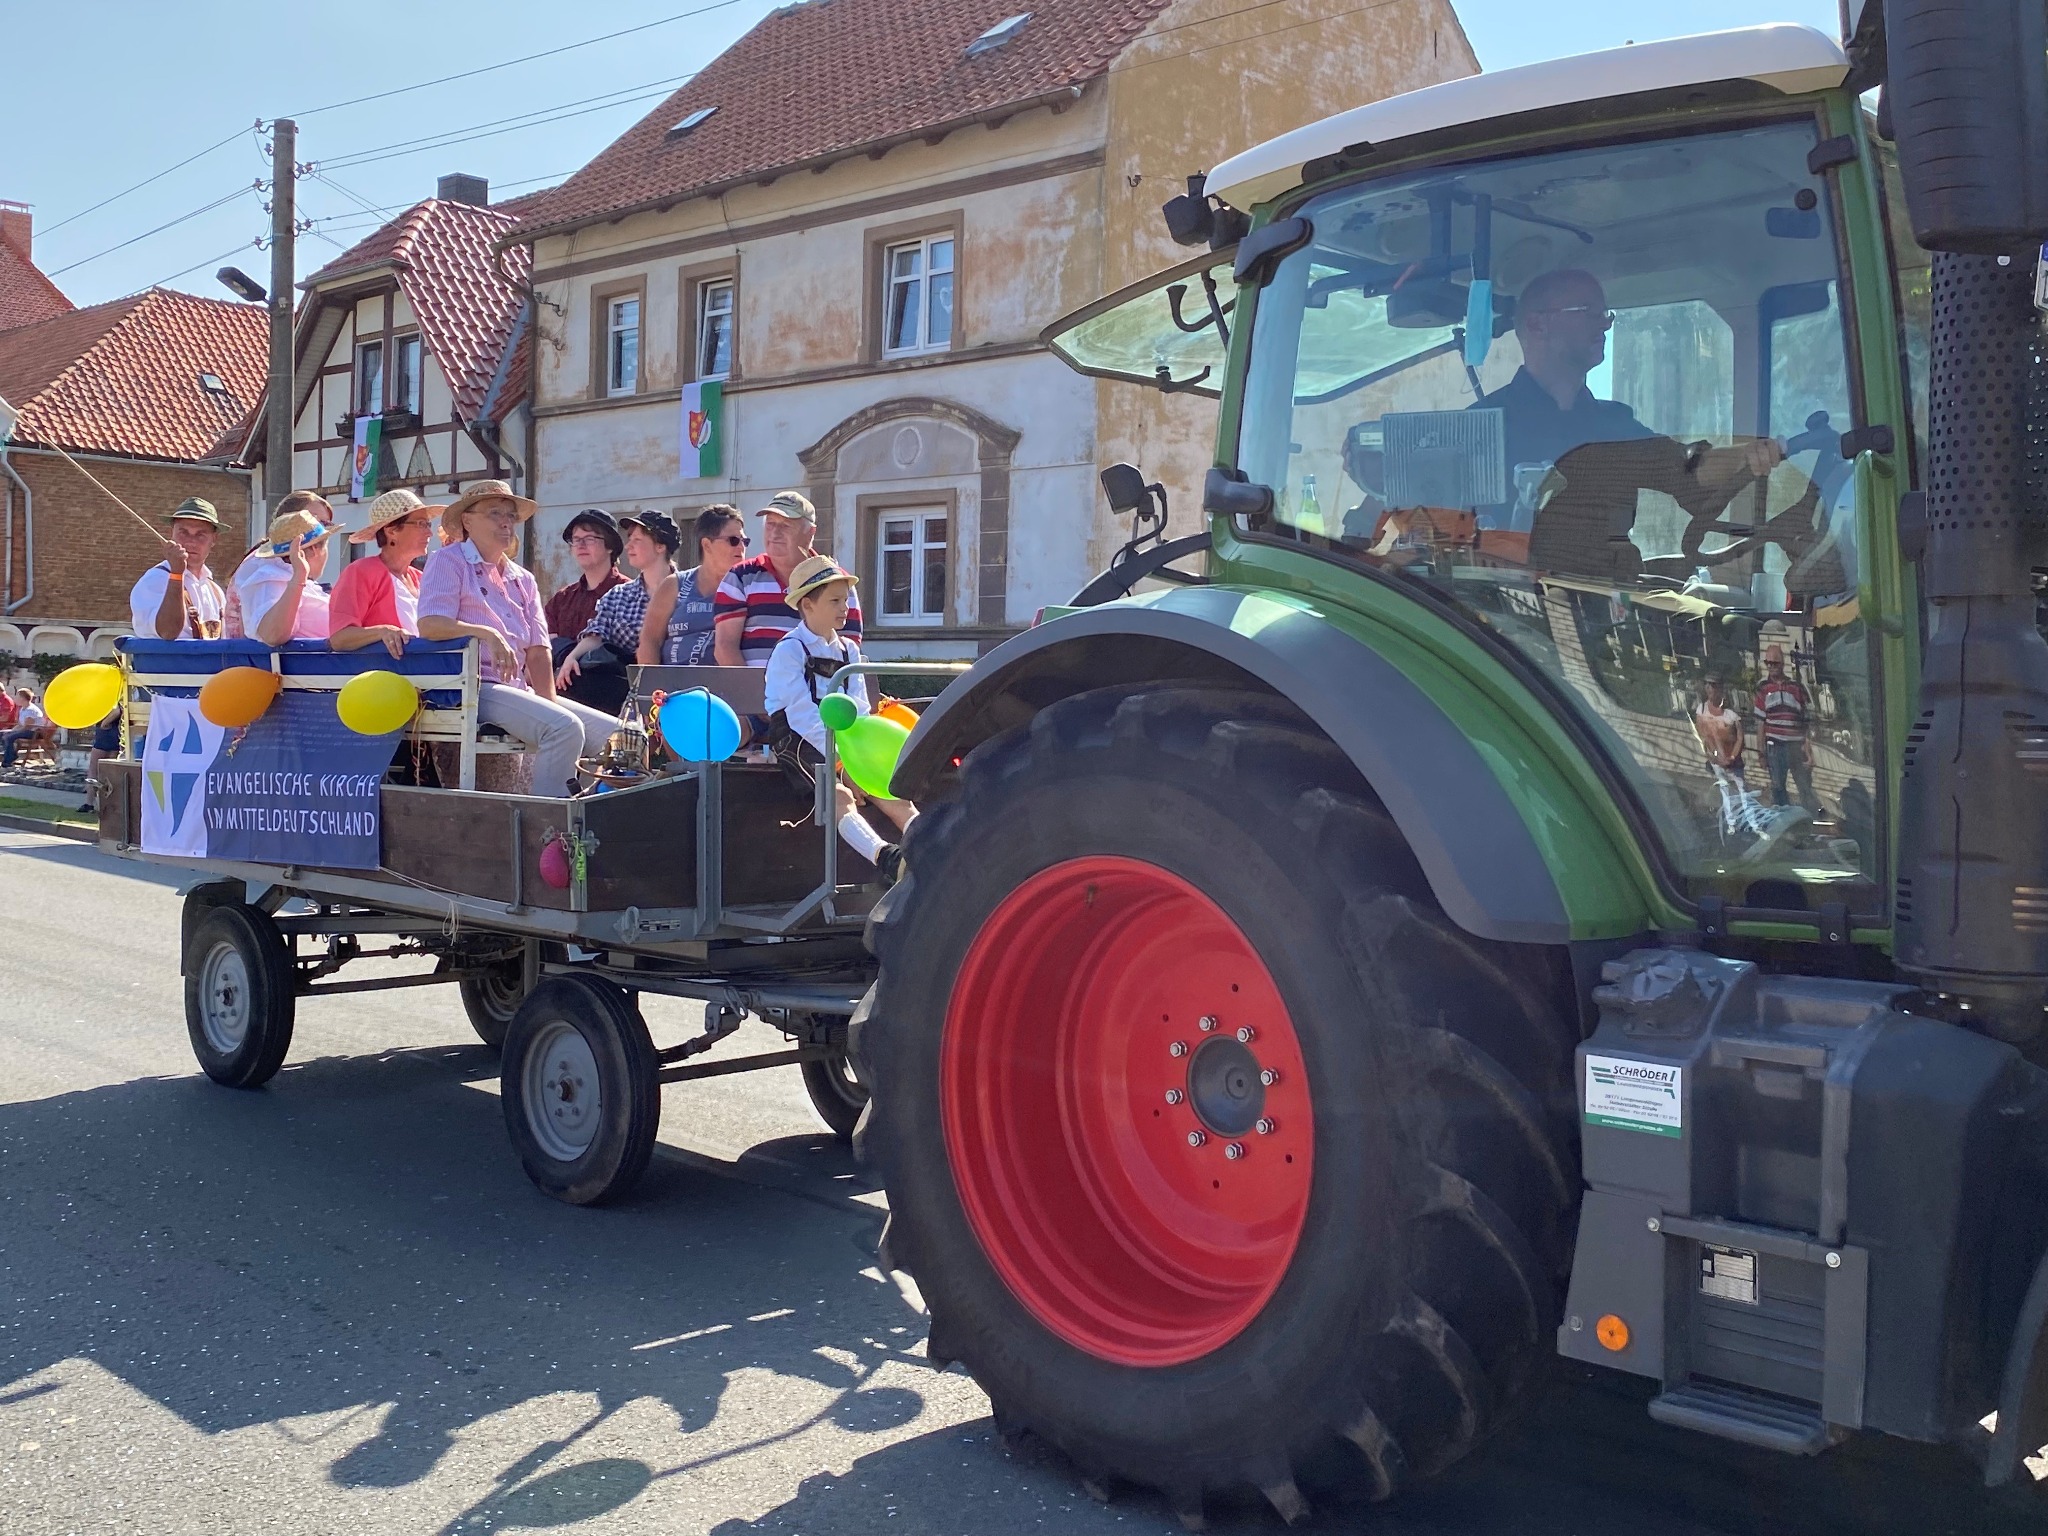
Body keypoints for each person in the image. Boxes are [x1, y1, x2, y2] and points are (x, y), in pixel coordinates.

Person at [1472, 269, 1783, 576]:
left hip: (1610, 604)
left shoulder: (1615, 425)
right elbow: (1443, 538)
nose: (1604, 324)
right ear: (1536, 324)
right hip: (1504, 609)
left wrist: (1751, 454)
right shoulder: (1477, 428)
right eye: (1588, 312)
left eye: (1605, 314)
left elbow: (1685, 468)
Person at [416, 479, 617, 797]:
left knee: (617, 736)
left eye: (510, 514)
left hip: (514, 688)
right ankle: (550, 828)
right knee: (564, 728)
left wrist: (549, 704)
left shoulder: (522, 578)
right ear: (468, 521)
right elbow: (429, 624)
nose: (506, 522)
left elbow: (539, 650)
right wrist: (485, 632)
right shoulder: (448, 561)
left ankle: (586, 815)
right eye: (495, 513)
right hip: (471, 688)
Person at [763, 555, 913, 877]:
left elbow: (858, 704)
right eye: (834, 600)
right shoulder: (790, 650)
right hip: (797, 737)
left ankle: (929, 842)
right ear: (807, 605)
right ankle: (885, 856)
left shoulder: (849, 650)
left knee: (885, 786)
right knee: (837, 792)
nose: (844, 607)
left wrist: (859, 755)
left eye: (845, 600)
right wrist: (842, 761)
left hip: (843, 734)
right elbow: (800, 713)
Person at [556, 510, 679, 704]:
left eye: (637, 540)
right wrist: (571, 658)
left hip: (677, 688)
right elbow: (597, 635)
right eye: (629, 539)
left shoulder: (690, 592)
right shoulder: (618, 595)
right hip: (625, 692)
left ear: (660, 546)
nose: (629, 546)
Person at [328, 488, 442, 657]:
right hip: (379, 677)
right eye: (421, 524)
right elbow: (339, 638)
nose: (429, 532)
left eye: (428, 524)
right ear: (391, 531)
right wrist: (383, 631)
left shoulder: (420, 577)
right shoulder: (361, 571)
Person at [639, 506, 747, 667]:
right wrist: (653, 686)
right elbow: (650, 641)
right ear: (707, 545)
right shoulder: (674, 585)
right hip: (674, 686)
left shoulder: (749, 586)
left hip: (724, 685)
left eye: (745, 541)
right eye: (733, 540)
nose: (741, 547)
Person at [232, 496, 336, 645]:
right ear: (314, 549)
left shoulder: (280, 574)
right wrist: (298, 579)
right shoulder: (270, 575)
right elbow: (272, 635)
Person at [130, 497, 227, 641]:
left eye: (200, 535)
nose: (191, 542)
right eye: (183, 532)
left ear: (214, 539)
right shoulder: (155, 580)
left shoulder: (215, 591)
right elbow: (168, 632)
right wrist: (176, 574)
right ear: (172, 534)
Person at [543, 508, 625, 642]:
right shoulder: (561, 599)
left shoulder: (629, 595)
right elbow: (545, 645)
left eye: (590, 539)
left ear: (610, 546)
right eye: (576, 539)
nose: (581, 545)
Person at [1754, 643, 1817, 811]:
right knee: (1778, 788)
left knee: (1805, 787)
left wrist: (1809, 752)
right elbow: (1761, 724)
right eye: (1768, 663)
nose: (1771, 667)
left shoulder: (1796, 688)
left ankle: (1810, 821)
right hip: (1775, 747)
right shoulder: (1762, 689)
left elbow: (1806, 723)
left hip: (1796, 746)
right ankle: (1786, 824)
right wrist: (1761, 753)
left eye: (1775, 663)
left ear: (1782, 663)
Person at [1692, 675, 1753, 837]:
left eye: (1713, 685)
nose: (1710, 689)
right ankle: (1732, 823)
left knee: (1741, 790)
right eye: (1707, 685)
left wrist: (1732, 757)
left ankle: (1749, 820)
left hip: (1733, 759)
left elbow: (1740, 737)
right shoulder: (1702, 710)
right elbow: (1702, 734)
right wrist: (1714, 756)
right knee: (1725, 790)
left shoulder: (1730, 714)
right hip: (1716, 759)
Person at [0, 687, 47, 768]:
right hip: (25, 730)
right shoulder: (23, 709)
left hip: (34, 732)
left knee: (9, 737)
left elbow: (27, 727)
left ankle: (8, 760)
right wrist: (11, 730)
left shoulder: (31, 710)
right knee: (2, 734)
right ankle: (11, 755)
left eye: (17, 696)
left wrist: (12, 733)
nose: (16, 698)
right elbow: (20, 724)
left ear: (22, 698)